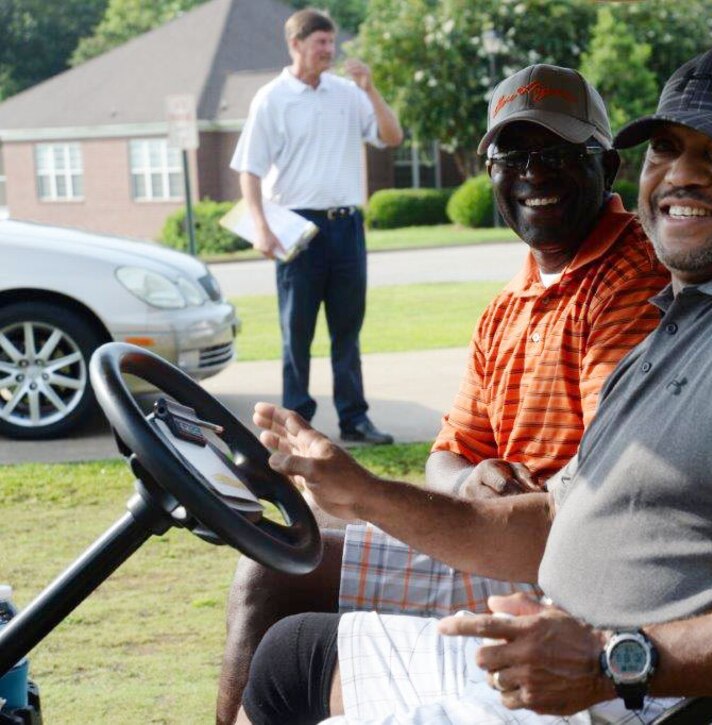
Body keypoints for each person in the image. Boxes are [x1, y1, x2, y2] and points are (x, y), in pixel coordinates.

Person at [240, 44, 712, 725]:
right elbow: (552, 518)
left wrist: (608, 661)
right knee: (295, 656)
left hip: (614, 695)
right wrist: (364, 493)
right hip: (562, 649)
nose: (683, 175)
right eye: (668, 148)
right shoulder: (692, 319)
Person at [215, 64, 670, 724]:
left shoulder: (628, 278)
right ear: (489, 173)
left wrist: (382, 493)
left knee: (278, 576)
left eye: (556, 154)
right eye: (511, 154)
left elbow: (597, 490)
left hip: (556, 560)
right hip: (496, 536)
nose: (532, 173)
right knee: (278, 557)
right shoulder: (505, 309)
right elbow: (447, 455)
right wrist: (470, 479)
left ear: (608, 164)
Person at [230, 7, 402, 446]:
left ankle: (354, 419)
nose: (329, 50)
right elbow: (249, 170)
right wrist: (262, 227)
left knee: (347, 329)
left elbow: (392, 136)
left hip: (346, 227)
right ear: (296, 44)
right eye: (320, 43)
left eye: (331, 42)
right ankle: (297, 425)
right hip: (296, 228)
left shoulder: (348, 93)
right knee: (298, 332)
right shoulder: (271, 98)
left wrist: (370, 89)